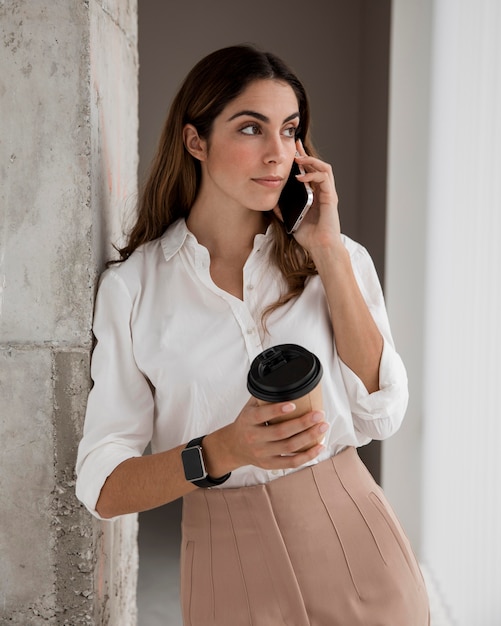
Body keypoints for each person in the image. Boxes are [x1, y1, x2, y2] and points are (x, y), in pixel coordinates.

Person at [76, 44, 429, 625]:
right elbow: (103, 485)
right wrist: (220, 451)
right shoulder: (134, 290)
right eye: (250, 128)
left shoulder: (337, 257)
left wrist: (328, 255)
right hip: (226, 567)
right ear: (196, 140)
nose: (277, 154)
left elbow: (379, 412)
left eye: (290, 131)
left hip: (359, 547)